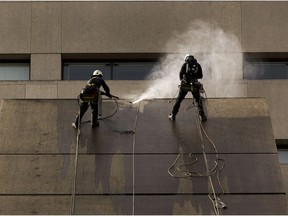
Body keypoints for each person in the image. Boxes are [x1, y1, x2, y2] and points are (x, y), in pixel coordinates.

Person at [168, 54, 207, 122]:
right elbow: (200, 76)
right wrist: (194, 77)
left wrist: (182, 80)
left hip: (185, 85)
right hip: (194, 85)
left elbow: (180, 74)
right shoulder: (198, 65)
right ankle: (202, 116)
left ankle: (173, 115)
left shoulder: (184, 65)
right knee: (198, 101)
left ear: (186, 59)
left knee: (179, 100)